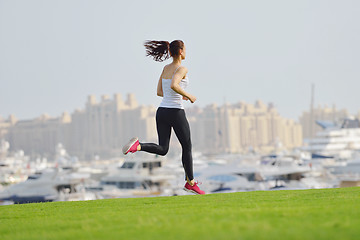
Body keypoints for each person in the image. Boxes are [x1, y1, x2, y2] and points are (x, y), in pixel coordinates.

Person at [122, 40, 205, 195]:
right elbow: (174, 85)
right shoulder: (182, 68)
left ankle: (138, 146)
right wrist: (189, 96)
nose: (186, 51)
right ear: (180, 51)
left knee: (163, 149)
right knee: (187, 147)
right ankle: (191, 183)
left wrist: (181, 96)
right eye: (185, 48)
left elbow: (161, 92)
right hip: (175, 112)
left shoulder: (166, 68)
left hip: (162, 111)